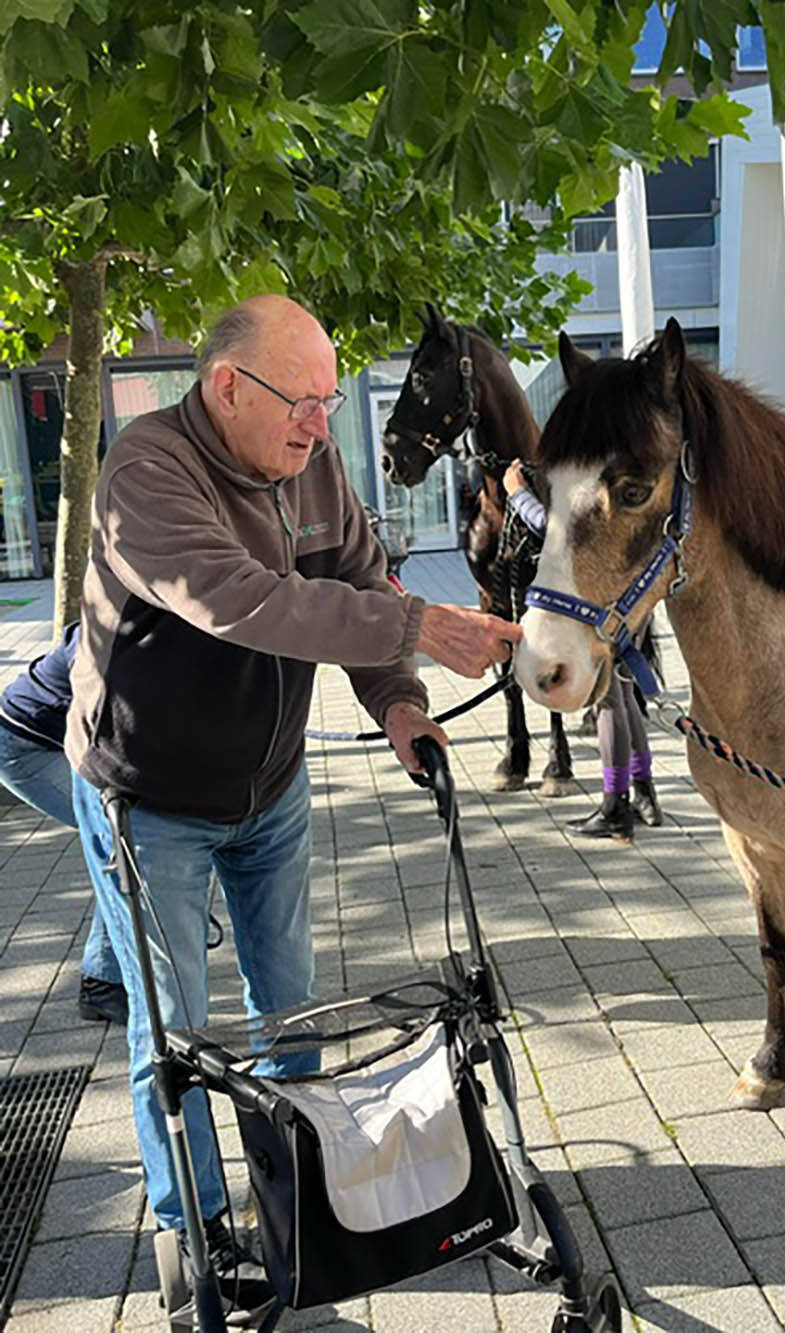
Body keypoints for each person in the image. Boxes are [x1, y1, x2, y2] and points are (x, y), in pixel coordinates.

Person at [66, 294, 520, 1314]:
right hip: (150, 798)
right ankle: (190, 1227)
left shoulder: (308, 456)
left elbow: (354, 574)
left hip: (269, 787)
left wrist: (403, 705)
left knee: (297, 1013)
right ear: (227, 386)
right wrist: (417, 622)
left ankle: (300, 1201)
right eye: (302, 401)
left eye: (327, 399)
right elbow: (243, 601)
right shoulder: (146, 468)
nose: (322, 424)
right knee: (172, 1033)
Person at [503, 458, 663, 842]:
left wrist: (518, 495)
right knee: (624, 693)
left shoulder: (591, 465)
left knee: (608, 698)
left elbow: (558, 528)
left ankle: (614, 806)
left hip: (602, 600)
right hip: (627, 595)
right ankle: (645, 794)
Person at [0, 623, 127, 1023]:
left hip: (50, 740)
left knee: (132, 843)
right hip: (24, 748)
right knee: (126, 844)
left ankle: (120, 967)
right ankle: (101, 981)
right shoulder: (106, 631)